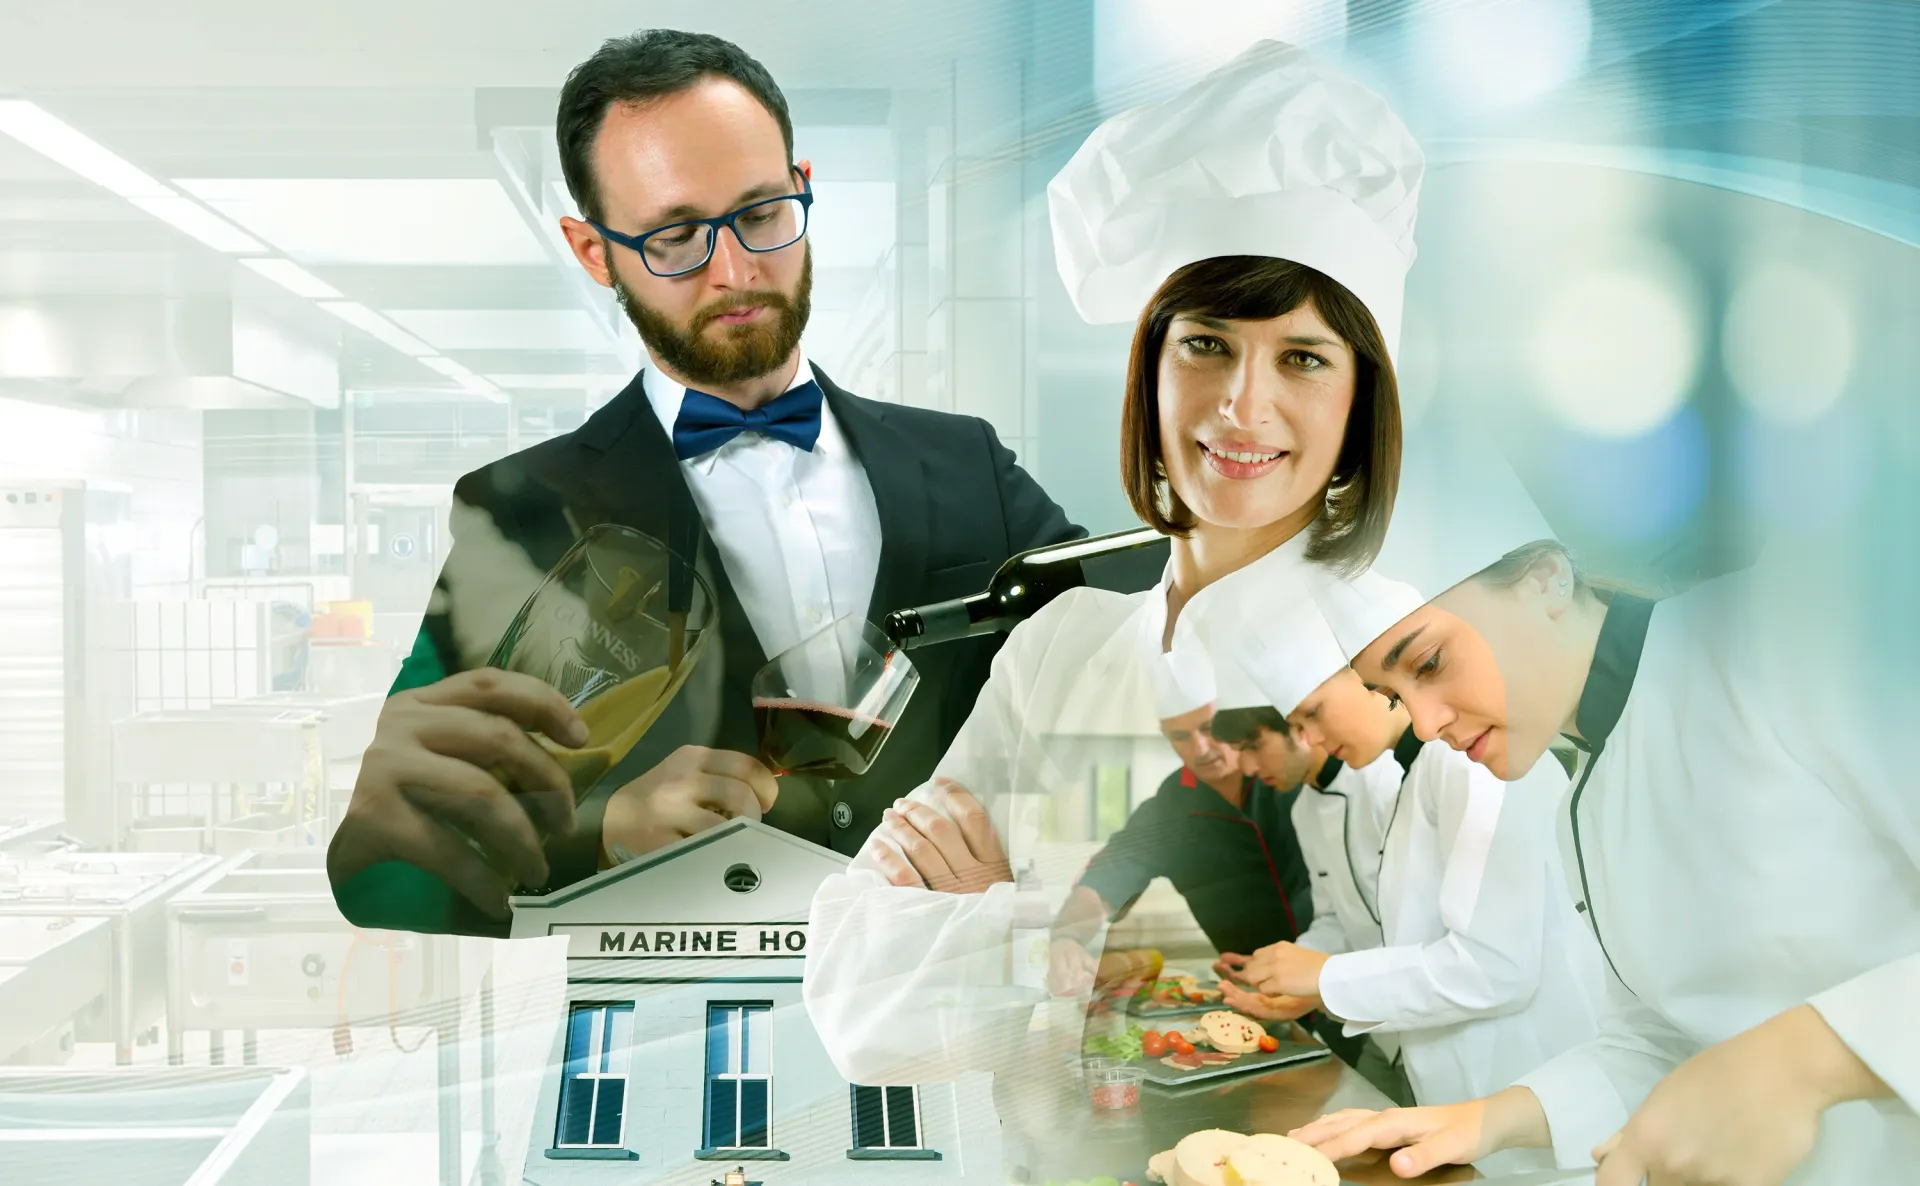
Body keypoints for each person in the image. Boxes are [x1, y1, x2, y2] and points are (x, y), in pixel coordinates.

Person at [326, 29, 1092, 936]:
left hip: (947, 997)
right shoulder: (516, 511)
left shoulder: (970, 464)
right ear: (593, 251)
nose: (736, 271)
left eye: (762, 213)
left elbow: (1134, 694)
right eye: (676, 236)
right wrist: (602, 831)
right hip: (681, 1011)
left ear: (802, 185)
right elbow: (381, 871)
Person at [803, 40, 1422, 1090]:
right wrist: (1076, 938)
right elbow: (853, 998)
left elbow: (1390, 1023)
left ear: (1363, 400)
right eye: (1207, 344)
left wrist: (1004, 916)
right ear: (1150, 367)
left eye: (1303, 358)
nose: (1244, 404)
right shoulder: (1059, 645)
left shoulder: (1405, 667)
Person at [1293, 538, 1920, 1185]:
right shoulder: (1584, 808)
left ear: (1546, 580)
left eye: (1429, 663)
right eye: (1393, 696)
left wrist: (1803, 1062)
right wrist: (1477, 1121)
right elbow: (1658, 1040)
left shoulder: (1793, 635)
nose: (1424, 726)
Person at [1202, 582, 1602, 1156]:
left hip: (1524, 1084)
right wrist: (1301, 975)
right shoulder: (1423, 772)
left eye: (1313, 714)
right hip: (1458, 1089)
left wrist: (1325, 979)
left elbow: (1494, 967)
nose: (1310, 739)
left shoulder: (1467, 763)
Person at [1045, 679, 1316, 999]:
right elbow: (1102, 884)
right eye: (1180, 736)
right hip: (1256, 992)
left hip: (1337, 968)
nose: (1200, 748)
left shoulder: (1292, 770)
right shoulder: (1168, 811)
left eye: (1209, 729)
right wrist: (1067, 939)